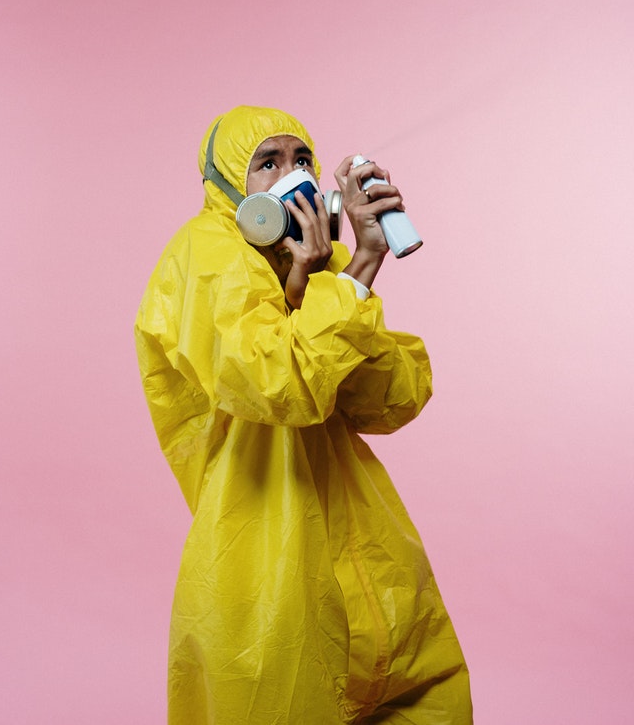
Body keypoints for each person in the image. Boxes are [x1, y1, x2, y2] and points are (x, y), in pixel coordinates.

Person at [135, 105, 473, 724]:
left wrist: (341, 269)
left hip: (370, 564)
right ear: (232, 183)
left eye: (302, 161)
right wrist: (354, 275)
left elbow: (395, 397)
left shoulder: (323, 268)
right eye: (268, 162)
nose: (292, 176)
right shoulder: (203, 252)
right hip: (267, 572)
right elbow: (275, 382)